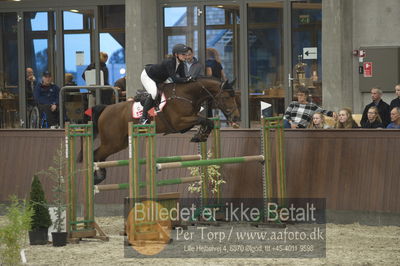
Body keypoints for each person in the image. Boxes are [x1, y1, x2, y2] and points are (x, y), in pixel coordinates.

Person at [139, 43, 192, 124]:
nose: (185, 56)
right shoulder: (169, 62)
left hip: (160, 78)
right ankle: (143, 117)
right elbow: (175, 79)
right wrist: (187, 79)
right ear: (176, 54)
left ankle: (158, 108)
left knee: (170, 89)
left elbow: (183, 78)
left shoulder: (181, 64)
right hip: (148, 75)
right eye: (183, 54)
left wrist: (190, 79)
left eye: (186, 54)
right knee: (153, 93)